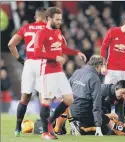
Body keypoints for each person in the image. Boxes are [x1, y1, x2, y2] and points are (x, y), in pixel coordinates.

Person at [34, 7, 86, 140]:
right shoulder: (42, 33)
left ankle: (50, 121)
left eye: (60, 19)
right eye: (57, 19)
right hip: (47, 71)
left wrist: (77, 52)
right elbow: (37, 52)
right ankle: (45, 132)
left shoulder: (58, 32)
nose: (59, 21)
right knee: (46, 100)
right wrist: (55, 57)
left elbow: (62, 48)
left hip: (59, 71)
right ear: (48, 18)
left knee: (69, 99)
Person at [8, 7, 47, 137]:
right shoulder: (49, 29)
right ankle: (45, 130)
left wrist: (20, 60)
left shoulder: (26, 28)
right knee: (43, 97)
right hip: (42, 63)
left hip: (29, 64)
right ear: (46, 17)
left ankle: (18, 129)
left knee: (24, 98)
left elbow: (10, 44)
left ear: (35, 17)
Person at [68, 55, 125, 136]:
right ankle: (81, 128)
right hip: (86, 112)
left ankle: (77, 125)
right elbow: (96, 104)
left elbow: (67, 90)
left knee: (107, 124)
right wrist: (98, 125)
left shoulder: (77, 72)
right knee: (106, 128)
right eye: (103, 65)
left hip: (74, 111)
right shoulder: (95, 79)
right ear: (99, 65)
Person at [100, 14, 125, 116]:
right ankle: (107, 122)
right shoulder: (113, 31)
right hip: (111, 69)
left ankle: (121, 123)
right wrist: (103, 64)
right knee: (107, 95)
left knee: (124, 97)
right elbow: (103, 47)